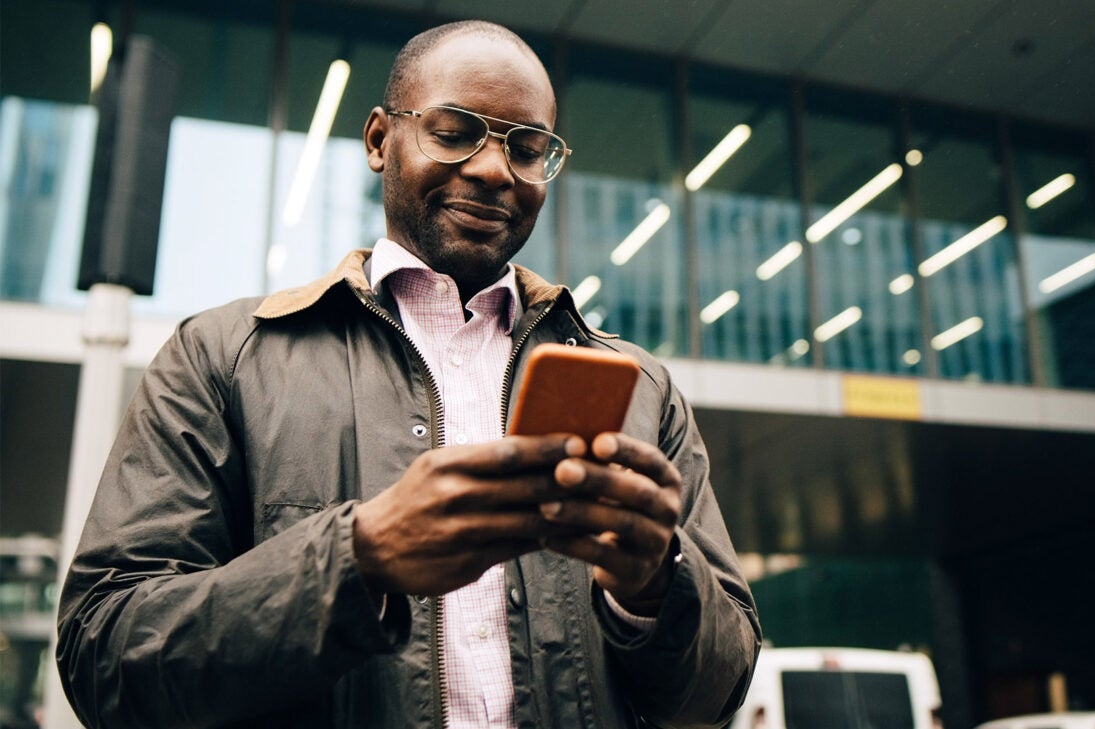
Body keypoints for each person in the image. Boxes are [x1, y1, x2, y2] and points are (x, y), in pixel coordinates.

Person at [55, 19, 761, 729]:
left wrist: (652, 589)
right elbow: (103, 655)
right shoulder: (222, 356)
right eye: (454, 132)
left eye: (527, 147)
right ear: (377, 140)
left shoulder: (640, 387)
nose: (493, 169)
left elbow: (721, 692)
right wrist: (355, 557)